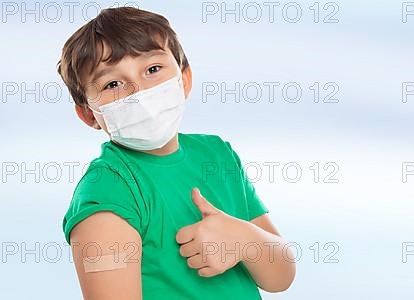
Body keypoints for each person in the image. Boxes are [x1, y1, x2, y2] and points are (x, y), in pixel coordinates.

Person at [58, 6, 295, 299]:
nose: (138, 92)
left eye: (153, 70)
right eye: (113, 84)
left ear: (184, 80)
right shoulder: (108, 190)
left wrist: (246, 240)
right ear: (88, 114)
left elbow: (281, 276)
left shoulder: (217, 155)